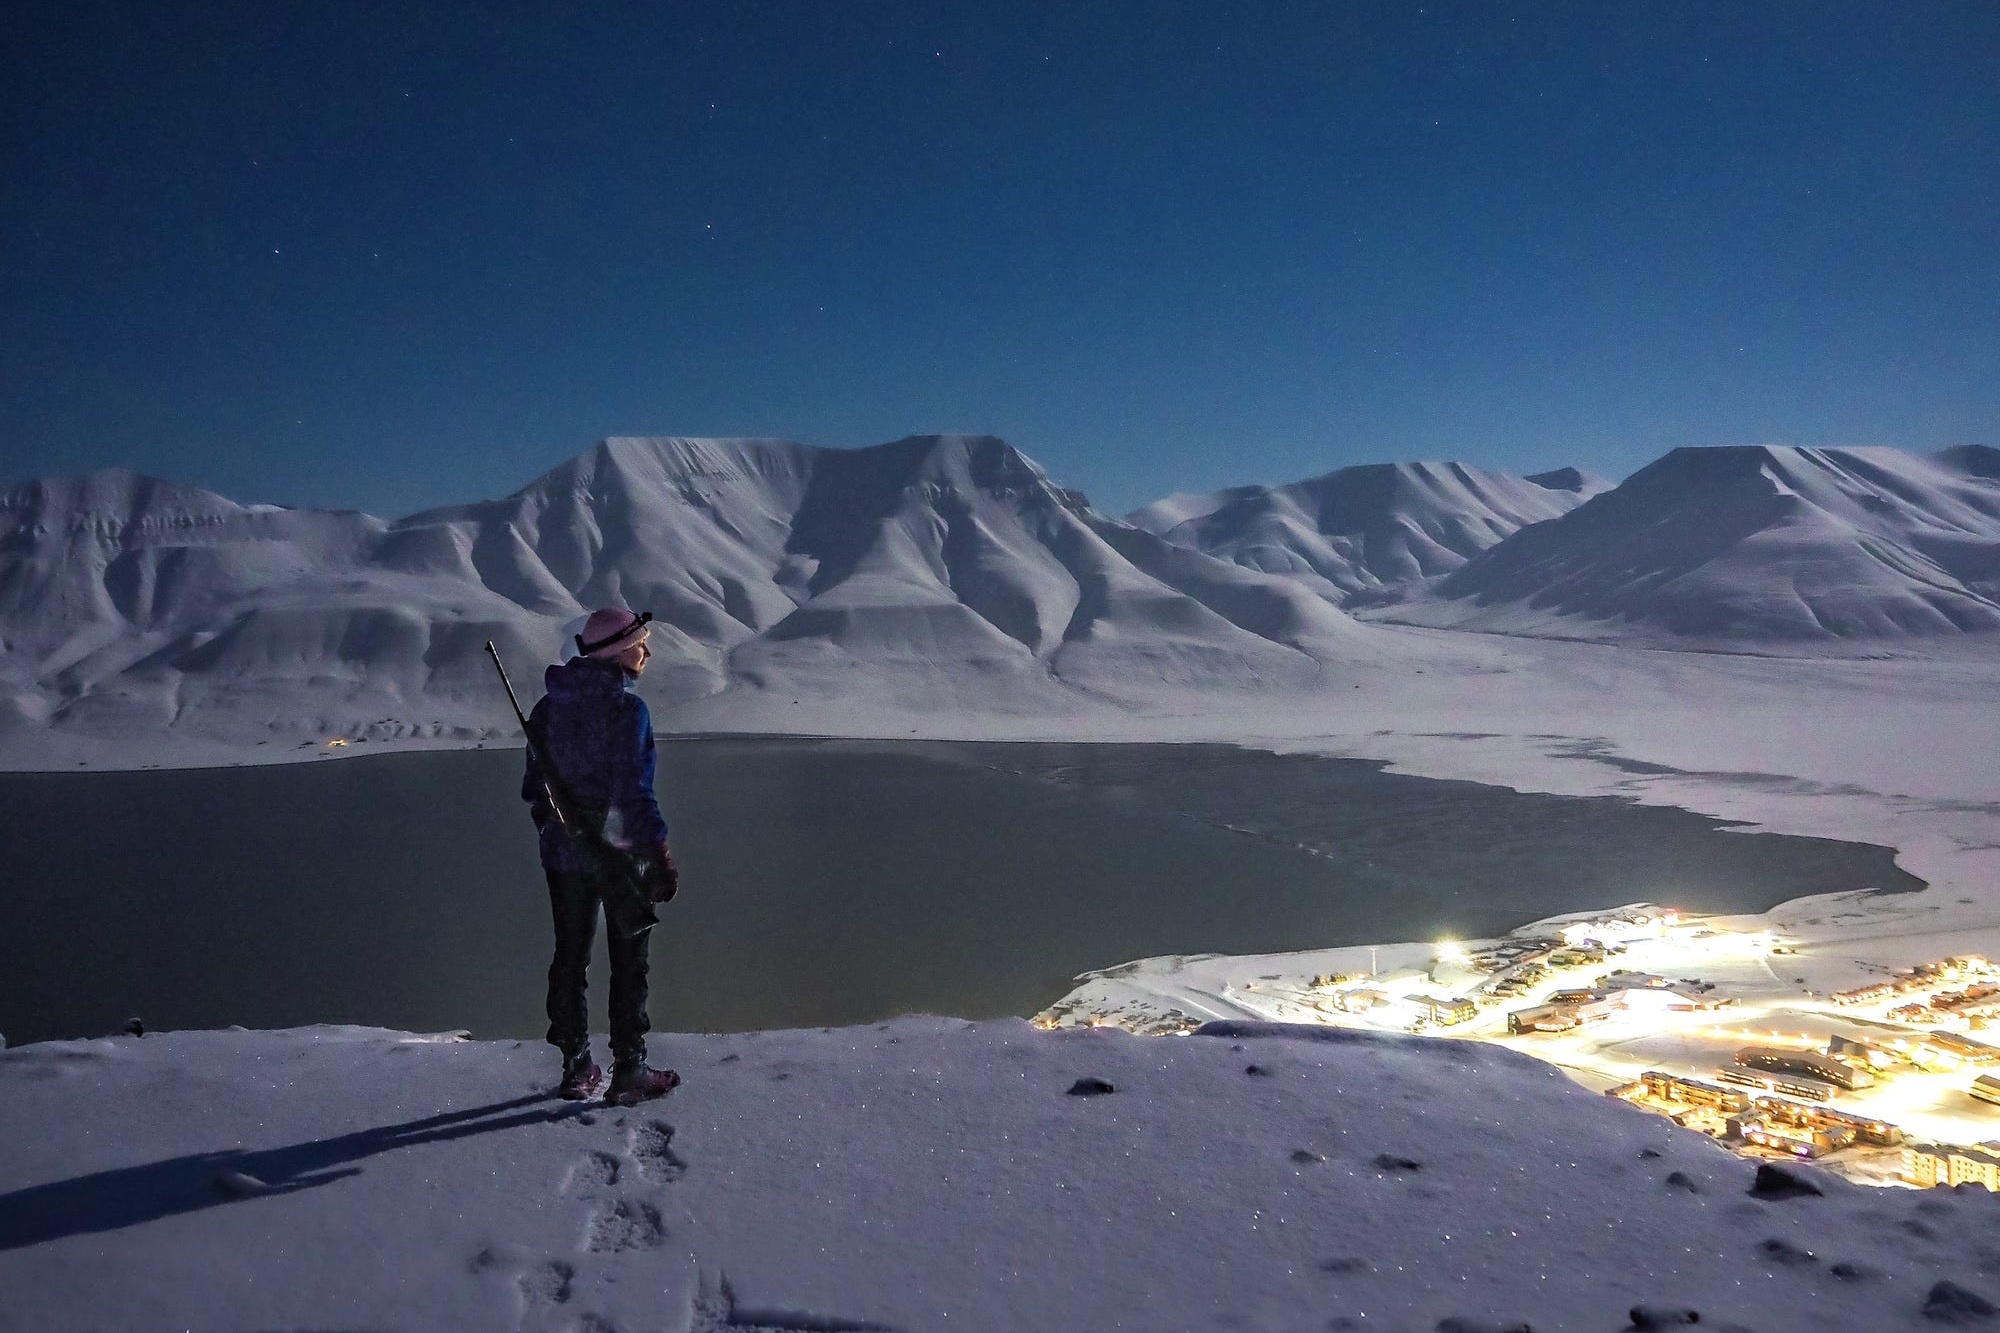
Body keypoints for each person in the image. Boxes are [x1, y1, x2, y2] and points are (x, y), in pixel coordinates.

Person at [521, 606, 681, 1105]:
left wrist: (560, 832)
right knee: (630, 959)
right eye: (641, 643)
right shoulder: (626, 710)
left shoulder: (549, 709)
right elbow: (633, 793)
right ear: (618, 651)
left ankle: (575, 1067)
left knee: (570, 955)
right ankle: (629, 1068)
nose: (647, 652)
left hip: (561, 859)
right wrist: (659, 853)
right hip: (620, 857)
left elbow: (534, 791)